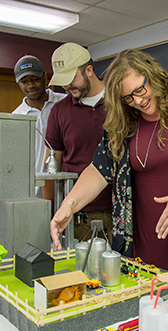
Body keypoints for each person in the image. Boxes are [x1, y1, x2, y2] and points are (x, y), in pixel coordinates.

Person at [50, 49, 168, 270]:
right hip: (141, 243)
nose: (138, 101)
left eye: (140, 89)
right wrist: (68, 206)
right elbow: (100, 169)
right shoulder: (125, 117)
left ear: (154, 73)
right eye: (128, 97)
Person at [45, 43, 113, 244]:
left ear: (89, 70)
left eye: (71, 79)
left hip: (123, 210)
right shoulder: (59, 111)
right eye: (63, 82)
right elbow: (51, 166)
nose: (67, 86)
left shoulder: (120, 102)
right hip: (80, 214)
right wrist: (49, 210)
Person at [12, 55, 67, 198]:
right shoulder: (16, 117)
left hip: (68, 184)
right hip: (33, 190)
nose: (30, 85)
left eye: (35, 79)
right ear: (18, 83)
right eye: (24, 81)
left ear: (45, 77)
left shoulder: (66, 103)